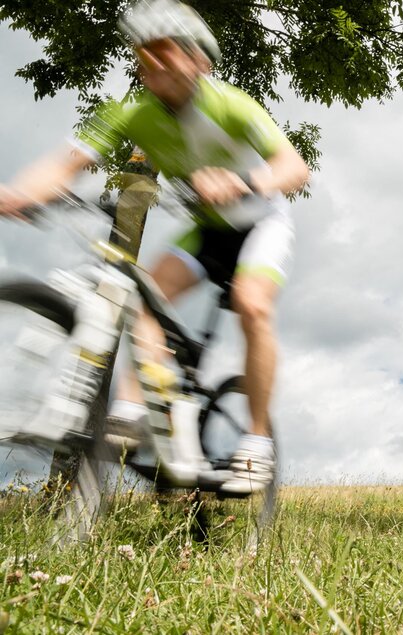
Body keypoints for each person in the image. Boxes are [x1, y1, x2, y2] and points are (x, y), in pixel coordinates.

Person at [0, 0, 310, 493]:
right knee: (139, 300)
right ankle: (133, 413)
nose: (153, 62)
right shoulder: (133, 114)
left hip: (260, 223)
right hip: (206, 230)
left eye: (165, 51)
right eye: (144, 54)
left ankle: (256, 441)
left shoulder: (232, 104)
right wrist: (18, 193)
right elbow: (65, 163)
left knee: (253, 305)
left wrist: (242, 179)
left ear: (198, 60)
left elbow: (294, 169)